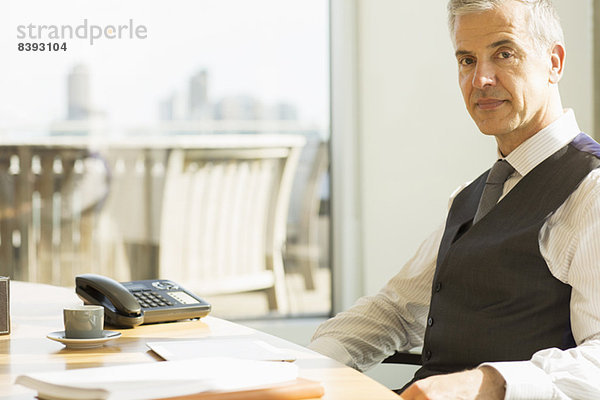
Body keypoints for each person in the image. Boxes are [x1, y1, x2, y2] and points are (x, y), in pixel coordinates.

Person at [308, 0, 600, 398]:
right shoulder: (470, 196)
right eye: (466, 60)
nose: (481, 78)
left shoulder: (592, 191)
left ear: (554, 62)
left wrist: (482, 385)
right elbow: (396, 309)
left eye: (504, 53)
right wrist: (312, 365)